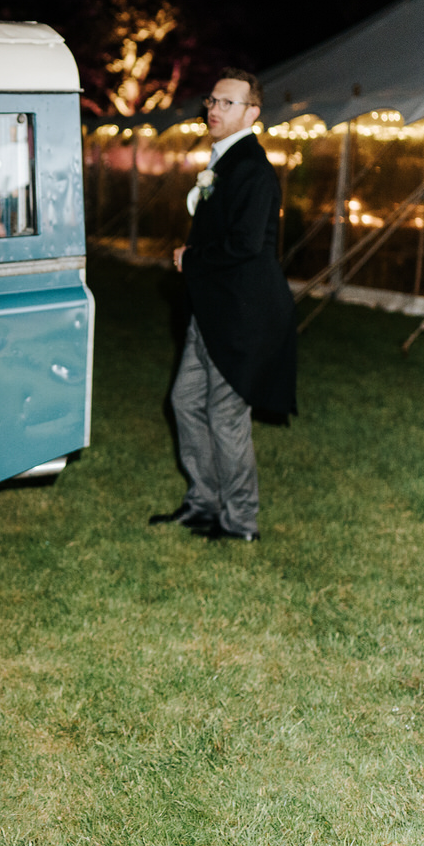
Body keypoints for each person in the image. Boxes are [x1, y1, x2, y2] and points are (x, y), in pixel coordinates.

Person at [149, 69, 297, 542]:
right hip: (210, 310)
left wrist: (191, 257)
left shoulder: (252, 168)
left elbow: (247, 245)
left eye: (227, 103)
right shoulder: (224, 161)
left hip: (242, 315)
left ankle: (240, 521)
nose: (213, 109)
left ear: (252, 113)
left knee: (225, 414)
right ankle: (202, 503)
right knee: (185, 401)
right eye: (212, 100)